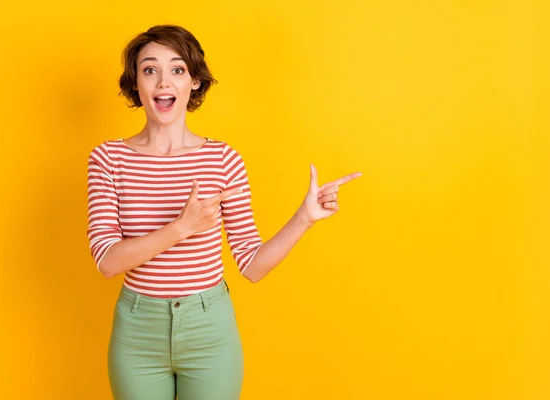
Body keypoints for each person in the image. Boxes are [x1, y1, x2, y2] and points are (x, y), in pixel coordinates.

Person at [86, 24, 361, 400]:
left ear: (195, 82)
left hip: (209, 328)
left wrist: (304, 218)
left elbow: (252, 265)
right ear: (136, 83)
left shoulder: (223, 160)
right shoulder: (108, 159)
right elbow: (107, 261)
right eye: (150, 69)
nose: (163, 81)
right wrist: (181, 228)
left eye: (178, 69)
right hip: (138, 330)